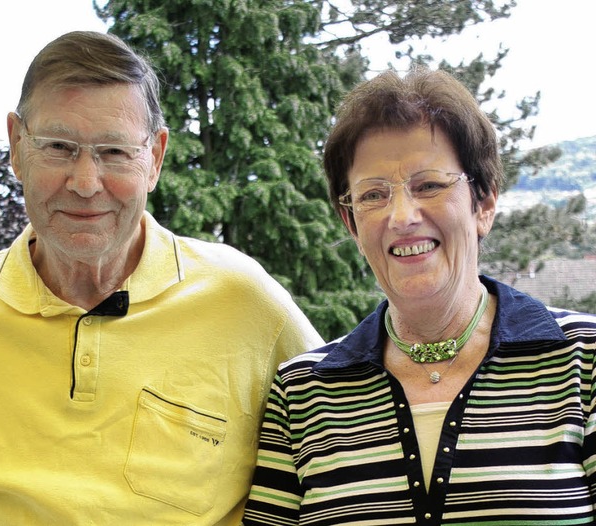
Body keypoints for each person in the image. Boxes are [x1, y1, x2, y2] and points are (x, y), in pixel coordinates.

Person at [0, 31, 323, 525]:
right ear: (17, 146)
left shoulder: (243, 301)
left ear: (155, 157)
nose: (85, 182)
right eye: (59, 146)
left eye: (114, 152)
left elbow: (343, 450)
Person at [242, 67, 596, 525]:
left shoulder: (582, 359)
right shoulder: (303, 392)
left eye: (429, 185)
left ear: (484, 203)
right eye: (373, 195)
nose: (402, 216)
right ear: (351, 224)